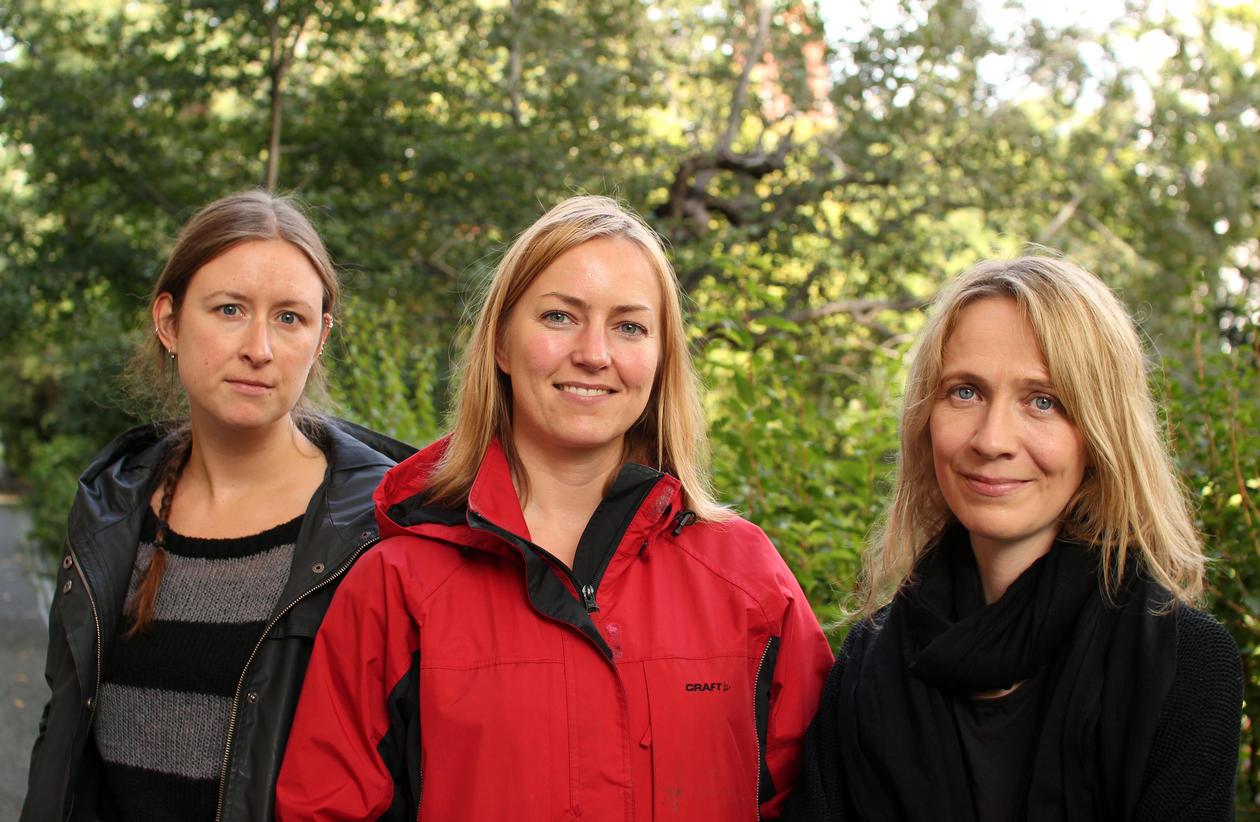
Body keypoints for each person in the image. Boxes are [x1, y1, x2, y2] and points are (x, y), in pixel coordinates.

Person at [274, 194, 834, 821]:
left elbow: (826, 795)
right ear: (502, 345)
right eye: (560, 316)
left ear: (661, 359)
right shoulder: (397, 586)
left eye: (629, 326)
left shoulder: (747, 578)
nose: (594, 353)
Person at [782, 255, 1243, 822]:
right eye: (965, 392)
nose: (992, 439)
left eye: (1042, 401)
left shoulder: (1187, 666)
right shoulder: (864, 668)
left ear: (1101, 432)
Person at [21, 190, 415, 822]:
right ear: (169, 322)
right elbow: (65, 733)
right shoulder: (112, 507)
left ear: (321, 338)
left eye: (289, 318)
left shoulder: (380, 530)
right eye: (230, 309)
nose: (259, 347)